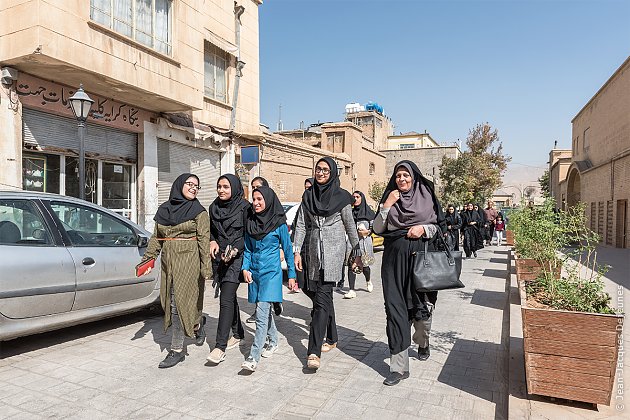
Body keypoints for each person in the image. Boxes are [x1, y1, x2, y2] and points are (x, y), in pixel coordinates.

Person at [373, 160, 446, 386]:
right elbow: (377, 229)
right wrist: (386, 206)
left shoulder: (427, 196)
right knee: (395, 311)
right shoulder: (390, 199)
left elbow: (440, 227)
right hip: (393, 262)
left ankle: (423, 342)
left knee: (421, 311)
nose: (401, 179)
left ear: (414, 177)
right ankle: (399, 368)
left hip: (421, 261)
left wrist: (424, 228)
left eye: (406, 175)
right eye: (398, 176)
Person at [292, 157, 362, 370]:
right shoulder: (308, 195)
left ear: (332, 172)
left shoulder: (342, 198)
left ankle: (313, 352)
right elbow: (302, 225)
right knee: (318, 295)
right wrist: (296, 251)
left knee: (321, 300)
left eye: (325, 170)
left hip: (333, 254)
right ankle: (332, 336)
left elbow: (350, 227)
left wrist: (357, 252)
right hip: (313, 253)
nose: (321, 173)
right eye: (318, 169)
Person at [139, 173, 211, 368]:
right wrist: (148, 260)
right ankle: (197, 323)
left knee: (178, 305)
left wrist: (206, 267)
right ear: (179, 185)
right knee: (171, 301)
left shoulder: (199, 212)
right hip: (168, 263)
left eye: (197, 186)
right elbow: (157, 238)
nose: (194, 188)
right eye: (190, 184)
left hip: (189, 263)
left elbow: (204, 240)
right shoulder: (164, 209)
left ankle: (177, 350)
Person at [241, 186, 296, 372]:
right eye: (254, 199)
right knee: (263, 311)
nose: (255, 203)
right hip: (255, 273)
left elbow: (288, 249)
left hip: (271, 273)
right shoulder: (250, 222)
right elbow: (248, 249)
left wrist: (292, 276)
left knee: (261, 312)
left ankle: (253, 356)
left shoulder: (279, 224)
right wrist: (245, 268)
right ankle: (273, 340)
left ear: (268, 200)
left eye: (260, 199)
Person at [207, 174, 249, 364]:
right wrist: (212, 241)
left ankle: (220, 346)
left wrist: (235, 249)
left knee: (225, 299)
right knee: (229, 296)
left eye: (225, 187)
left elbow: (248, 235)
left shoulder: (244, 207)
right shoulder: (213, 207)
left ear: (234, 188)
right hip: (220, 258)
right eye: (219, 186)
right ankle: (238, 332)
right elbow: (212, 231)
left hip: (237, 258)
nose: (221, 190)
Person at [246, 176, 272, 324]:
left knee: (266, 292)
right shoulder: (251, 210)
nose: (254, 190)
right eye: (253, 187)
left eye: (257, 187)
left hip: (269, 259)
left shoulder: (272, 209)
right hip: (255, 256)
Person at [343, 191, 375, 299]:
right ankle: (351, 290)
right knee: (351, 265)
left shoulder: (369, 213)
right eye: (354, 197)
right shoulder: (350, 213)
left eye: (357, 197)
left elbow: (374, 227)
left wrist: (367, 232)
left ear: (362, 198)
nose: (355, 199)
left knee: (365, 266)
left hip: (364, 243)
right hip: (352, 244)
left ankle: (368, 280)